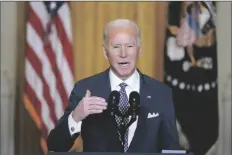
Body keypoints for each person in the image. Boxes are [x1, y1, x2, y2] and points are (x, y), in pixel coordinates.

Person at [47, 19, 180, 152]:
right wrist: (76, 117)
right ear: (105, 52)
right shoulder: (85, 89)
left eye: (129, 46)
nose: (123, 53)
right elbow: (55, 146)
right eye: (116, 46)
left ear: (139, 49)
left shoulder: (161, 93)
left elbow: (172, 150)